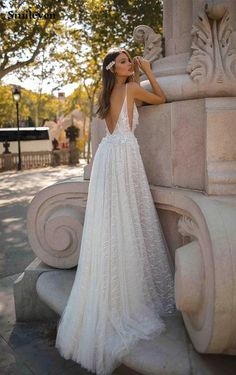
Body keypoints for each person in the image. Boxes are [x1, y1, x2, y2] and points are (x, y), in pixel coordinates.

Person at [55, 47, 175, 375]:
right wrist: (148, 71)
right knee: (128, 220)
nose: (129, 64)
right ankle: (124, 296)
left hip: (109, 157)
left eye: (129, 61)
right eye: (124, 61)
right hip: (123, 158)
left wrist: (136, 70)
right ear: (115, 69)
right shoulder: (131, 88)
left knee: (110, 223)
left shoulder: (107, 95)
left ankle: (110, 291)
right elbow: (161, 99)